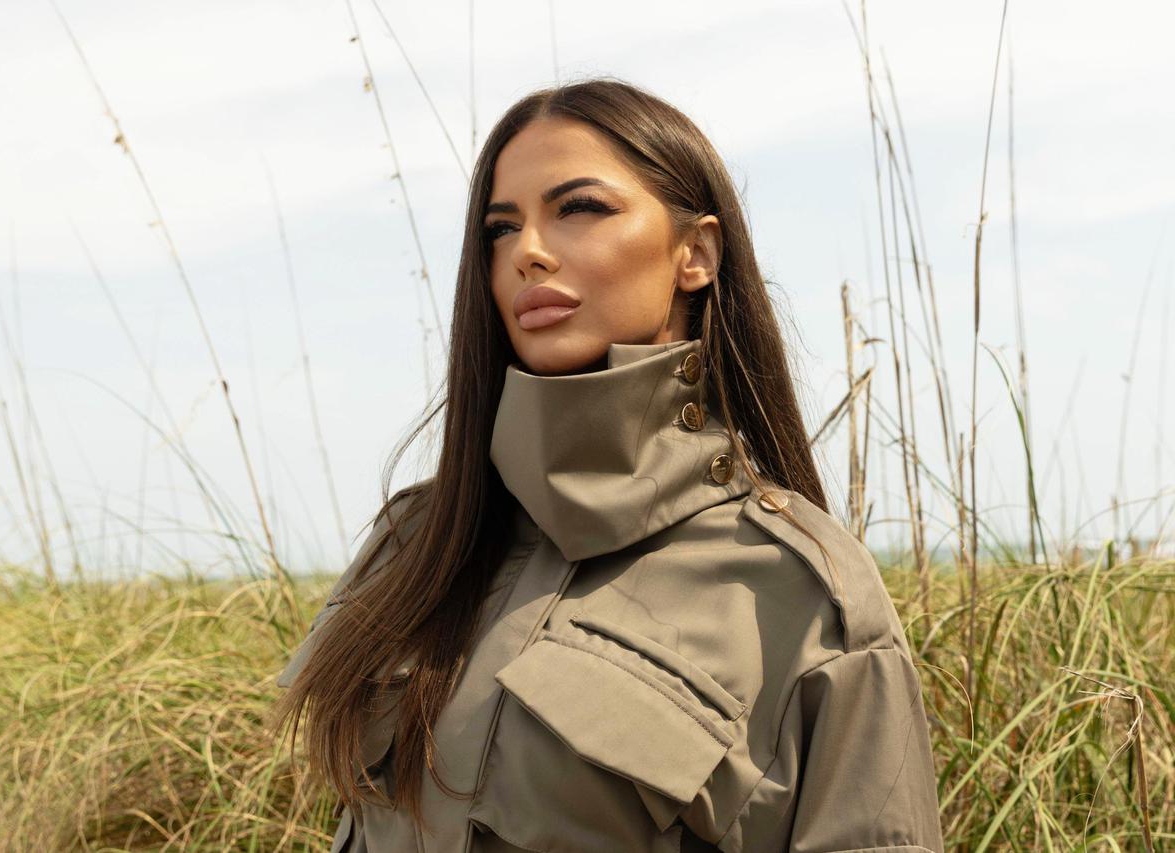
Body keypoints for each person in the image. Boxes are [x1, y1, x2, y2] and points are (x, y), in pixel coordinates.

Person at [272, 76, 945, 853]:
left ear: (695, 253)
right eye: (501, 227)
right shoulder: (415, 543)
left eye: (580, 208)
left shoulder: (799, 588)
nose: (528, 251)